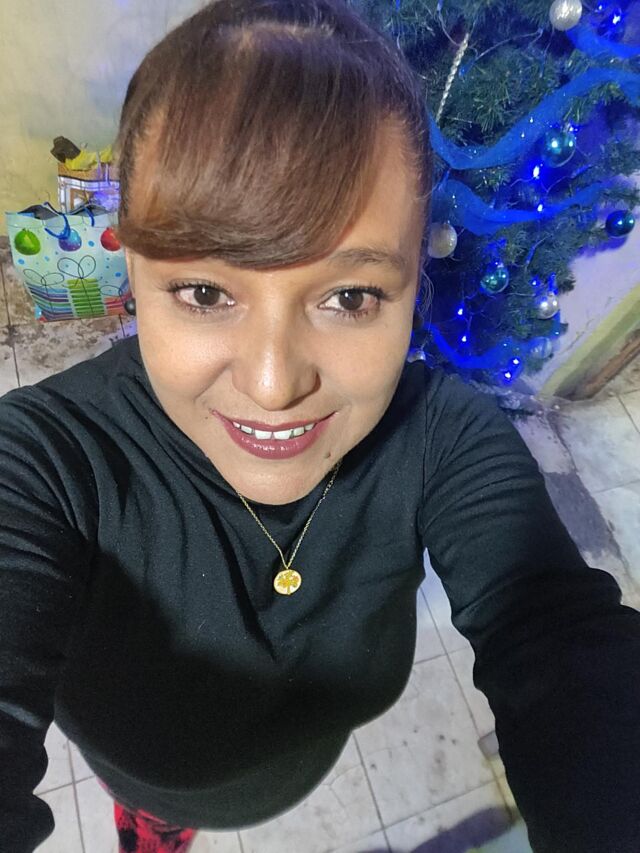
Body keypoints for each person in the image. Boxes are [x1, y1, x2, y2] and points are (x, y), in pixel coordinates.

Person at [1, 1, 639, 852]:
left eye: (350, 296)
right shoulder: (45, 464)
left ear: (410, 286)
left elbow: (559, 642)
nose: (274, 385)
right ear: (133, 271)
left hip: (300, 771)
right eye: (204, 292)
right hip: (155, 794)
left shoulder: (444, 440)